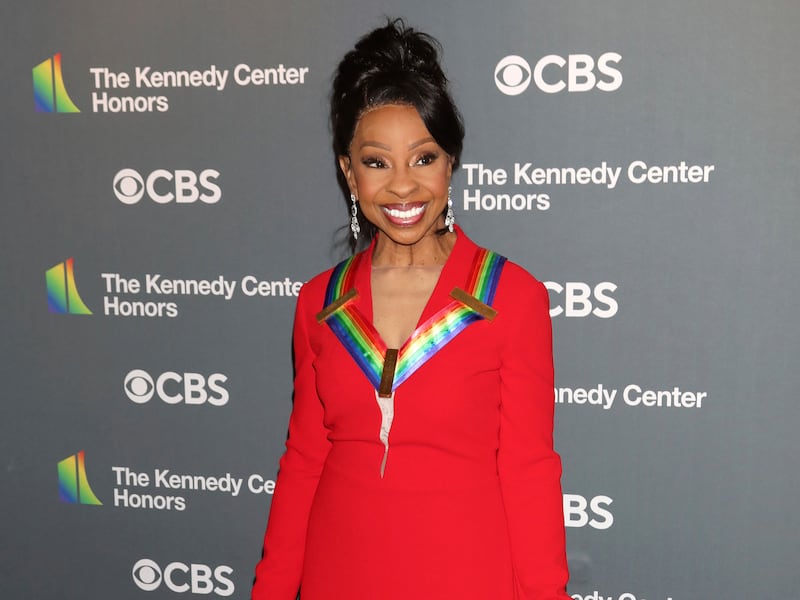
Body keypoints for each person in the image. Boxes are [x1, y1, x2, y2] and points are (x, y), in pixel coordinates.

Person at [252, 19, 570, 600]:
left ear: (450, 163)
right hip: (337, 576)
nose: (403, 187)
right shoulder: (318, 304)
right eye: (377, 163)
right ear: (348, 173)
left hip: (467, 578)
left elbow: (530, 473)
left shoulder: (510, 296)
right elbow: (303, 463)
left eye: (423, 159)